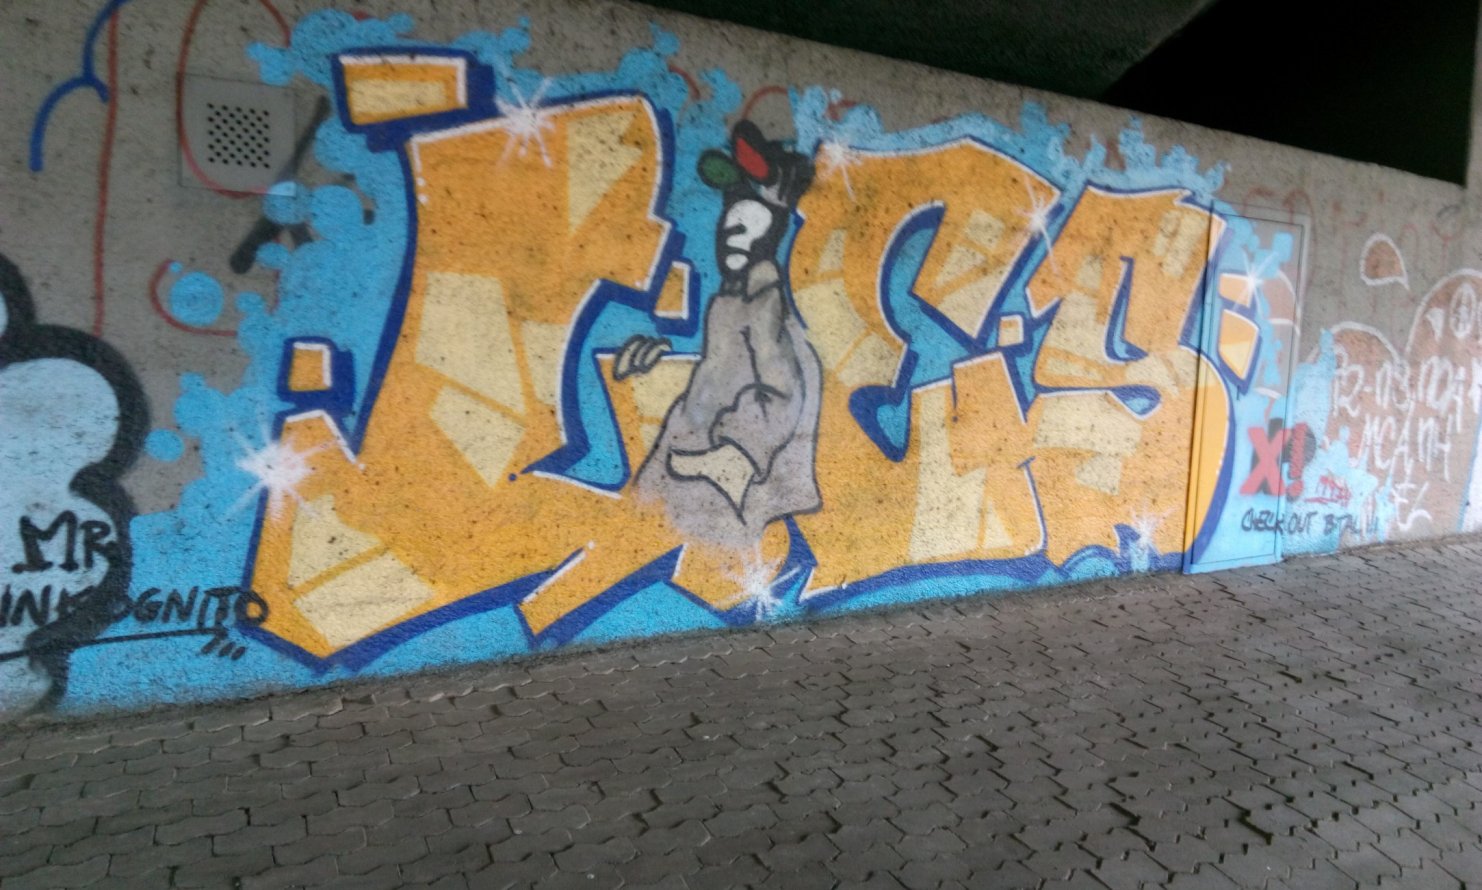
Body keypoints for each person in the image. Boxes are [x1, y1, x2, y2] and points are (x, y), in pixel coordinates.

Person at [617, 120, 823, 555]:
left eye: (748, 228)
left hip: (726, 491)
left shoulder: (763, 301)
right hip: (695, 473)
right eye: (730, 227)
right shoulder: (729, 304)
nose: (734, 238)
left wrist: (733, 451)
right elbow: (715, 383)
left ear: (771, 232)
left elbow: (783, 395)